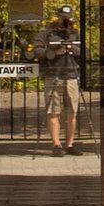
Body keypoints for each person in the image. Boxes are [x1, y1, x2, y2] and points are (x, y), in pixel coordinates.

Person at [35, 12, 84, 153]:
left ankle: (70, 144)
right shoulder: (46, 33)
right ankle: (56, 144)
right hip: (53, 75)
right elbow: (37, 51)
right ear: (57, 18)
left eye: (68, 19)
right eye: (63, 18)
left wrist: (70, 47)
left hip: (71, 75)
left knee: (72, 112)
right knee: (53, 111)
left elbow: (84, 52)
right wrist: (53, 51)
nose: (65, 22)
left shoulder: (75, 34)